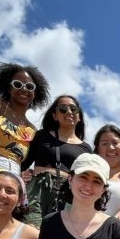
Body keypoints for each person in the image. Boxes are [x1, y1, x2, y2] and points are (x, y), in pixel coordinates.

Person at [0, 63, 50, 187]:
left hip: (14, 173)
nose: (24, 89)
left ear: (35, 93)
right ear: (9, 88)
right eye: (17, 84)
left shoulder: (32, 130)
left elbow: (27, 161)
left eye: (29, 86)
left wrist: (22, 175)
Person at [20, 94, 93, 227]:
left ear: (79, 116)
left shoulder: (86, 148)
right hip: (38, 190)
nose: (69, 112)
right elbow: (23, 162)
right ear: (55, 115)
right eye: (63, 109)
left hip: (67, 194)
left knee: (59, 237)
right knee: (32, 230)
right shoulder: (42, 135)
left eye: (73, 109)